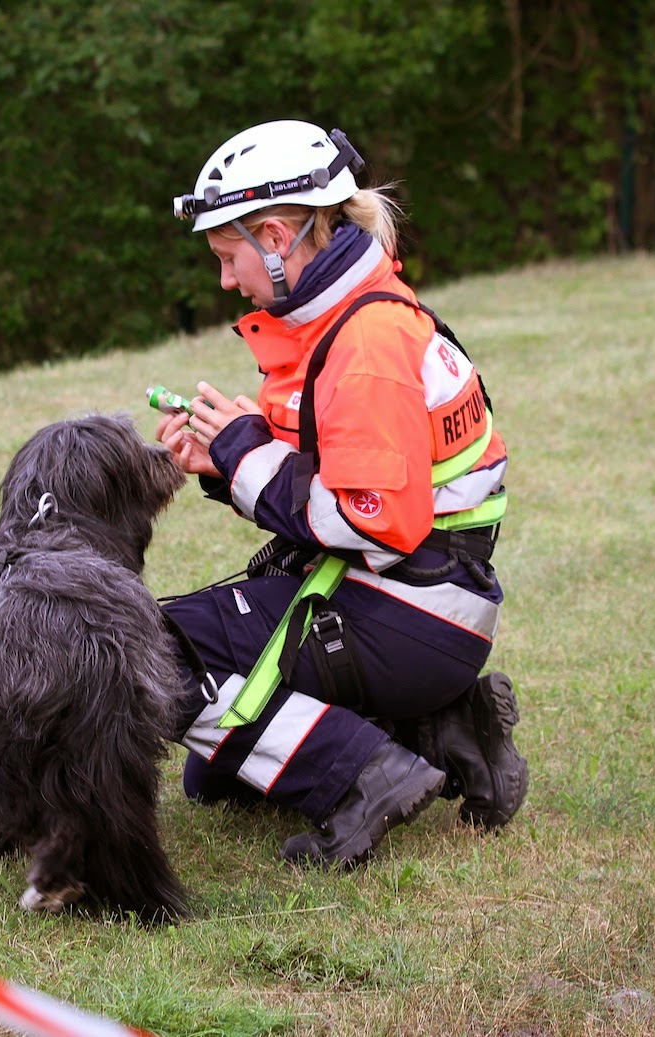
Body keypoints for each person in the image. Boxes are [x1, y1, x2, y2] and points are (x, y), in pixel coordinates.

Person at [154, 119, 528, 870]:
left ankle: (367, 774)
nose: (227, 281)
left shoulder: (363, 347)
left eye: (229, 258)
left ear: (275, 235)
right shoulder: (350, 315)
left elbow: (370, 519)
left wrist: (242, 451)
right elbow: (333, 476)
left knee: (143, 655)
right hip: (421, 602)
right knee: (210, 776)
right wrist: (222, 466)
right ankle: (442, 728)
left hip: (400, 606)